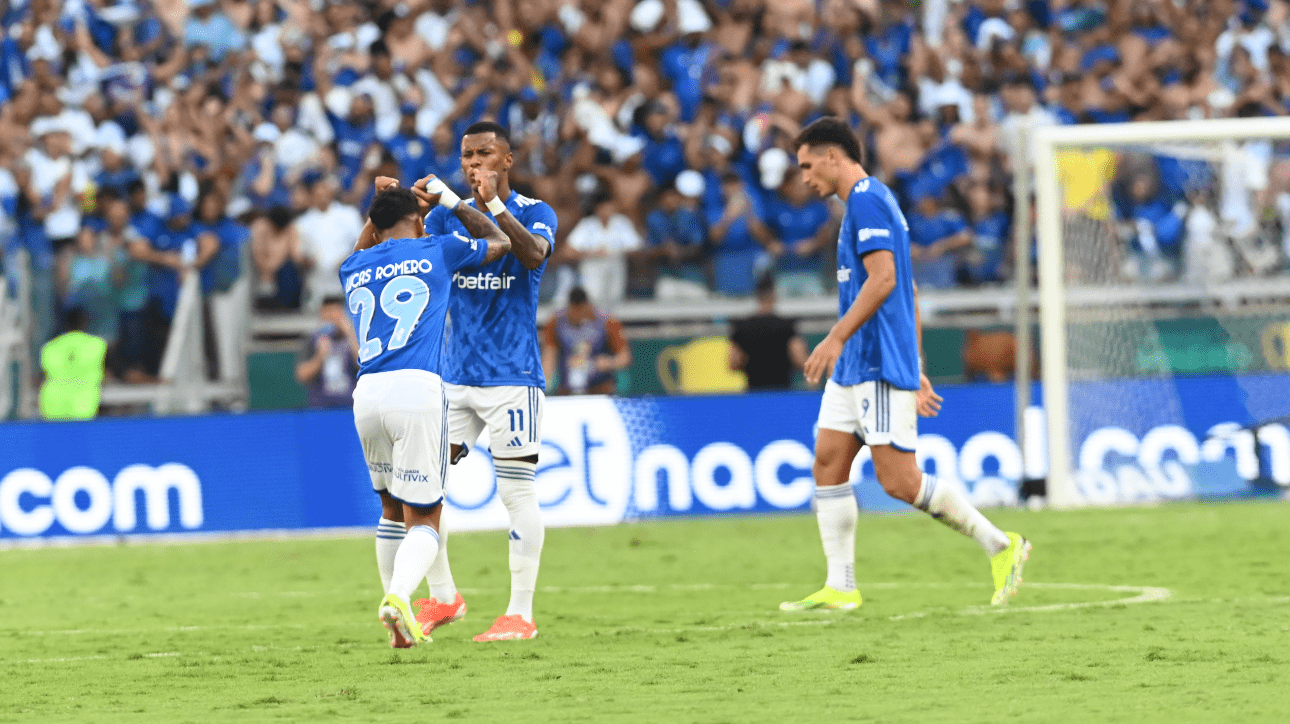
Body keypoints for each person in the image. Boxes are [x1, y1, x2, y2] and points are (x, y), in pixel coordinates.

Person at [781, 117, 1029, 612]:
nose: (805, 177)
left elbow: (886, 279)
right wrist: (916, 363)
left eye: (808, 165)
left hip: (872, 361)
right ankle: (841, 585)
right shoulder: (860, 206)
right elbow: (909, 288)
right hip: (855, 365)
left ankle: (1001, 545)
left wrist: (835, 337)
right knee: (829, 461)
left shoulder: (869, 200)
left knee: (899, 481)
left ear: (834, 156)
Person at [343, 181, 511, 648]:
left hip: (367, 395)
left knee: (391, 509)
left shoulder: (353, 265)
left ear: (374, 228)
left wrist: (381, 207)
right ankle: (398, 599)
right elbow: (501, 242)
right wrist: (451, 203)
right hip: (416, 390)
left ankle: (395, 614)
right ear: (418, 221)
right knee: (427, 516)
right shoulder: (437, 248)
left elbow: (368, 239)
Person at [416, 121, 559, 643]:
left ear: (507, 160)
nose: (474, 163)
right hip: (454, 378)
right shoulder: (440, 218)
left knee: (517, 493)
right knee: (423, 486)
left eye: (484, 154)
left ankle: (520, 613)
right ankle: (444, 595)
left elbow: (531, 255)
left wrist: (487, 204)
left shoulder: (536, 213)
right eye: (466, 155)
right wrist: (408, 209)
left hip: (511, 378)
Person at [542, 286, 631, 395]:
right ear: (570, 306)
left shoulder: (608, 321)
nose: (578, 316)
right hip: (568, 391)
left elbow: (625, 357)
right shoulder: (556, 322)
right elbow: (549, 357)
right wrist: (544, 385)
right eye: (574, 311)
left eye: (581, 311)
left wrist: (609, 362)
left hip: (601, 391)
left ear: (587, 306)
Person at [729, 275, 807, 390]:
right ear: (774, 297)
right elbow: (799, 358)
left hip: (754, 392)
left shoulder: (742, 328)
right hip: (783, 392)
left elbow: (733, 362)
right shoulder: (786, 326)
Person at [563, 193, 642, 308]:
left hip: (616, 268)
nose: (608, 210)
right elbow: (567, 252)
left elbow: (637, 248)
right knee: (593, 300)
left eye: (611, 207)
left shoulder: (622, 223)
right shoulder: (586, 225)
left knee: (615, 302)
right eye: (604, 207)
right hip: (592, 269)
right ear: (597, 208)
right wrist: (593, 253)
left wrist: (617, 252)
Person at [39, 307, 107, 420]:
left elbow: (41, 376)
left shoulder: (49, 347)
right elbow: (107, 374)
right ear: (86, 322)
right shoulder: (98, 345)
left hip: (52, 406)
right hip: (84, 406)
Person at [294, 295, 360, 408]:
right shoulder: (313, 340)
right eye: (326, 312)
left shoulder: (356, 338)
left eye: (334, 312)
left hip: (351, 406)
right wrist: (320, 356)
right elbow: (301, 375)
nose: (330, 317)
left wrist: (350, 334)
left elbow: (363, 367)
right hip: (321, 408)